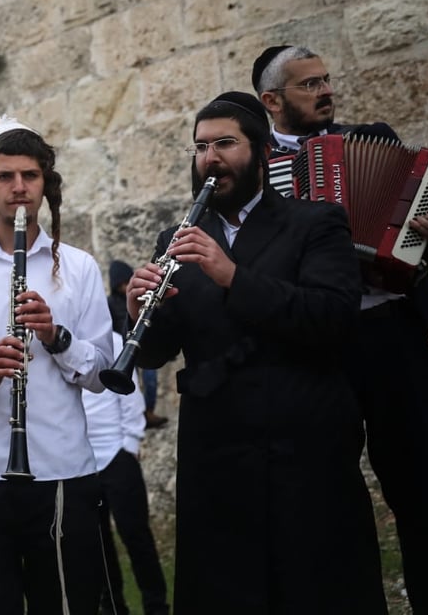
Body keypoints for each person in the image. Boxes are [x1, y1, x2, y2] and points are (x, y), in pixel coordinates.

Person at [128, 91, 385, 614]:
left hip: (302, 447)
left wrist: (230, 276)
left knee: (318, 589)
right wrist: (139, 313)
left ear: (262, 152)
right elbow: (157, 352)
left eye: (225, 143)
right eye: (200, 147)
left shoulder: (316, 223)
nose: (210, 158)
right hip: (216, 453)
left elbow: (331, 318)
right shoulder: (176, 237)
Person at [254, 45, 428, 613]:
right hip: (316, 345)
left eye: (327, 80)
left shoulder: (375, 138)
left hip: (392, 331)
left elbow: (426, 249)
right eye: (309, 85)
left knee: (424, 483)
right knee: (324, 493)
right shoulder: (260, 168)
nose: (326, 91)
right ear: (272, 100)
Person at [0, 115, 113, 615]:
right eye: (4, 177)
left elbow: (103, 375)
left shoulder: (77, 267)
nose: (18, 188)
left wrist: (57, 338)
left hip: (61, 468)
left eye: (30, 176)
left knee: (66, 602)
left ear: (46, 184)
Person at [82, 336, 169, 615]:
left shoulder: (115, 340)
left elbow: (130, 396)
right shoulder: (55, 341)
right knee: (98, 544)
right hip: (81, 461)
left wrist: (129, 444)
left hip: (116, 453)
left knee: (136, 536)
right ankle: (113, 607)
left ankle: (156, 606)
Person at [107, 261, 165, 429]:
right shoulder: (110, 303)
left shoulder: (142, 296)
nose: (125, 287)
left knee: (150, 379)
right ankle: (133, 418)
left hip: (142, 347)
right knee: (128, 385)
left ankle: (148, 411)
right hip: (123, 350)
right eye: (121, 284)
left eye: (127, 282)